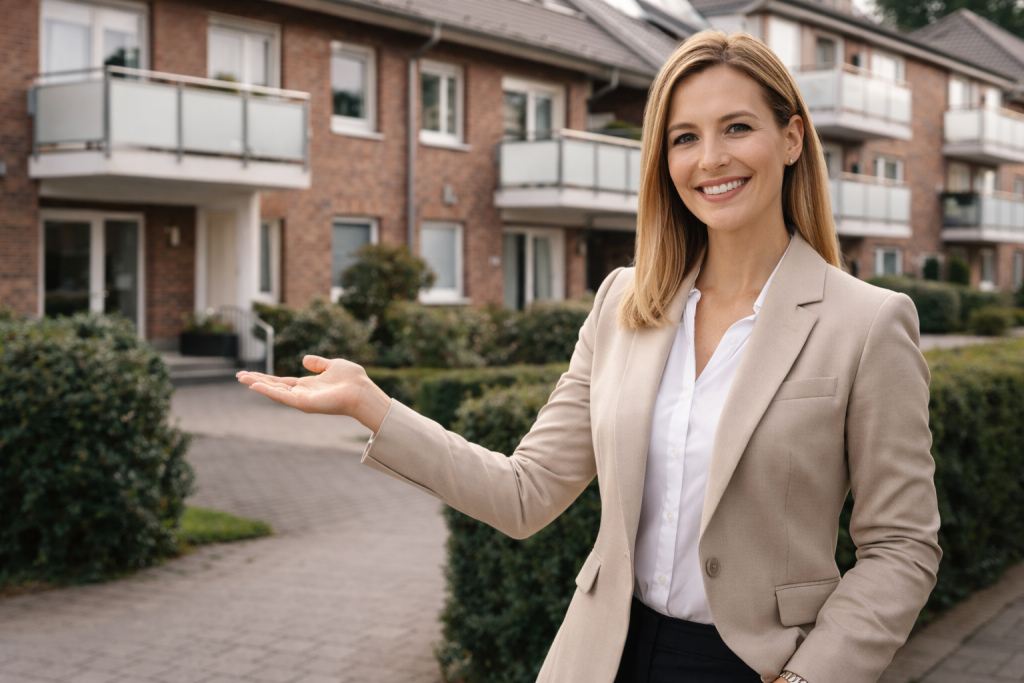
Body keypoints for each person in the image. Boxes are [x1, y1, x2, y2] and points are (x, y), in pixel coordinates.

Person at [237, 30, 941, 683]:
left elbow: (902, 548)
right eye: (684, 138)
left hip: (759, 666)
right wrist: (372, 404)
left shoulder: (868, 322)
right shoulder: (624, 303)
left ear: (791, 139)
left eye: (737, 128)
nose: (710, 159)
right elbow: (526, 492)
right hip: (602, 656)